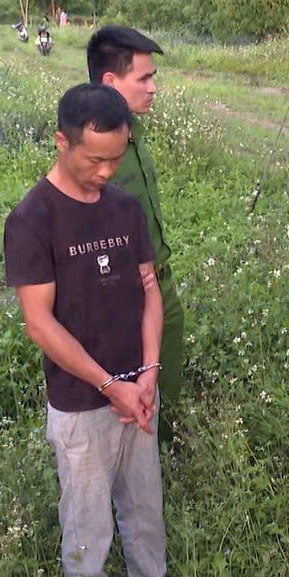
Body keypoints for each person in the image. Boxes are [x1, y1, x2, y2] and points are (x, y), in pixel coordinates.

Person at [3, 84, 184, 577]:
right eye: (94, 160)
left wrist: (148, 372)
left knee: (144, 505)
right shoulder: (32, 219)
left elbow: (149, 288)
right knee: (87, 526)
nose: (107, 172)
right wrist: (110, 385)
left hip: (138, 391)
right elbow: (40, 324)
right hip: (82, 405)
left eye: (116, 158)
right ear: (62, 142)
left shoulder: (124, 207)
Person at [87, 26, 186, 436]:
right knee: (133, 410)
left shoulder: (133, 132)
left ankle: (168, 452)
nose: (153, 88)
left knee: (167, 395)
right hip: (128, 299)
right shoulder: (93, 152)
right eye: (143, 78)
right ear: (111, 82)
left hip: (161, 285)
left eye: (153, 77)